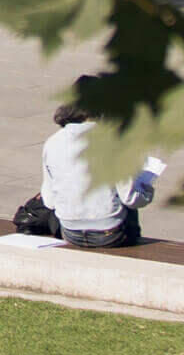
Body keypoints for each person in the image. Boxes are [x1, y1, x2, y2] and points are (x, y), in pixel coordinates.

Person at [38, 100, 149, 250]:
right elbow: (130, 198)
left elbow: (50, 201)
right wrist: (146, 189)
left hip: (70, 232)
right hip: (111, 234)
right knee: (129, 200)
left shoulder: (52, 142)